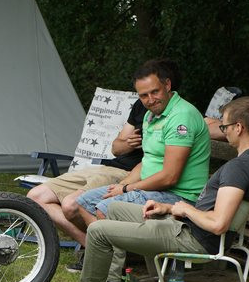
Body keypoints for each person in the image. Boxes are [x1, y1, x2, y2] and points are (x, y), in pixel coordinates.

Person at [50, 96, 249, 282]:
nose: (223, 131)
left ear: (239, 127)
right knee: (113, 209)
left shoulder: (239, 168)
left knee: (97, 231)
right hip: (189, 227)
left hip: (194, 238)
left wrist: (184, 209)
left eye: (225, 126)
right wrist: (167, 209)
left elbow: (218, 224)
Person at [61, 59, 210, 243]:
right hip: (152, 189)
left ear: (167, 84)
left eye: (154, 92)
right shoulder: (150, 115)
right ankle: (109, 254)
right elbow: (147, 161)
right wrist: (121, 186)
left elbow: (170, 177)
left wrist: (126, 188)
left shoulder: (181, 116)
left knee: (104, 209)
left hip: (179, 197)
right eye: (143, 95)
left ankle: (113, 263)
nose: (150, 100)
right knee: (82, 203)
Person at [27, 96, 145, 265]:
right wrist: (130, 143)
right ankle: (92, 247)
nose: (148, 99)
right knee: (35, 196)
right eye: (143, 94)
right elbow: (116, 148)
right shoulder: (141, 106)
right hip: (107, 167)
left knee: (71, 205)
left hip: (129, 173)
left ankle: (98, 253)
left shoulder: (170, 119)